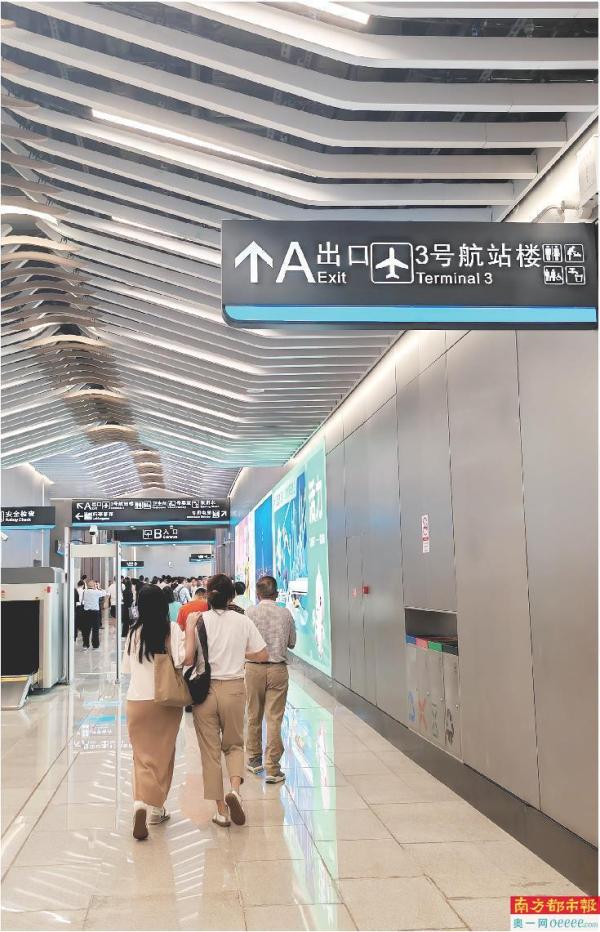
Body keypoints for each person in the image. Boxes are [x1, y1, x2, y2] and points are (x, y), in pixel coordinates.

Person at [184, 574, 268, 827]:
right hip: (234, 689)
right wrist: (240, 653)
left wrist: (190, 631)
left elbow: (189, 658)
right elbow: (263, 655)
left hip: (205, 692)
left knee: (210, 753)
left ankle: (221, 811)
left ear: (208, 595)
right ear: (232, 596)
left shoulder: (199, 621)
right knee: (234, 745)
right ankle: (235, 791)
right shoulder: (243, 621)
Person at [123, 585, 185, 841]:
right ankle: (157, 809)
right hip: (165, 701)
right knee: (164, 754)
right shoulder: (172, 629)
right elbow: (181, 660)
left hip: (136, 701)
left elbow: (127, 668)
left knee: (141, 756)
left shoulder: (133, 632)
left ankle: (139, 803)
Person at [245, 575, 296, 783]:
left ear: (258, 594)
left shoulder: (249, 613)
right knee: (274, 718)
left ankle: (254, 760)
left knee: (253, 714)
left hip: (253, 669)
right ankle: (273, 769)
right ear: (276, 593)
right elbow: (292, 642)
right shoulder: (285, 613)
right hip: (277, 669)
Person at [81, 579, 107, 650]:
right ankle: (95, 645)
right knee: (95, 629)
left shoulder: (84, 591)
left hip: (86, 612)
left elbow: (82, 601)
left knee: (86, 629)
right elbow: (105, 593)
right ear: (94, 585)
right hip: (95, 613)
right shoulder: (96, 592)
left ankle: (85, 644)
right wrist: (99, 588)